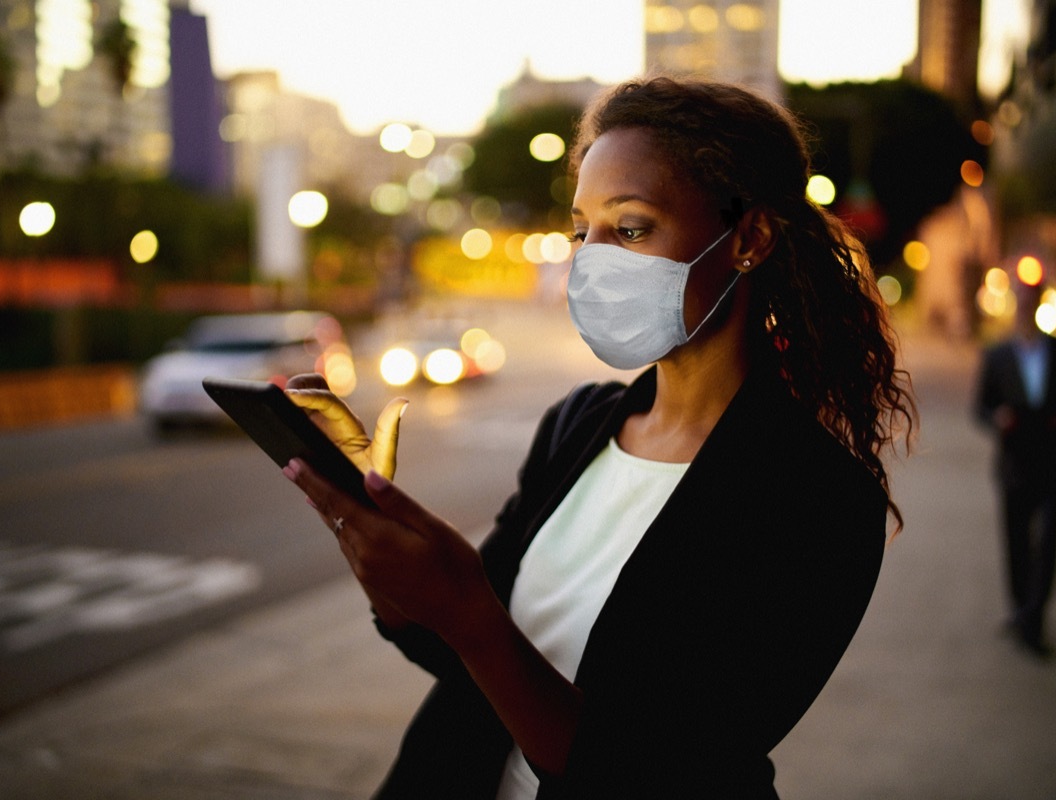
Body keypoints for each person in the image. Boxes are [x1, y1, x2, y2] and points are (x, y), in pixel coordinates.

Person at [282, 76, 915, 799]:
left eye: (632, 227)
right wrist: (373, 539)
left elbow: (661, 771)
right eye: (582, 230)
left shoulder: (818, 499)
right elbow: (462, 654)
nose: (591, 258)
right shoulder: (578, 425)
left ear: (749, 237)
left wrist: (470, 612)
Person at [975, 279, 1056, 658]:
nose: (1026, 309)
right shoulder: (997, 356)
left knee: (1047, 541)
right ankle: (1020, 608)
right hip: (1015, 463)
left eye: (1032, 302)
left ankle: (1034, 617)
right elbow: (980, 407)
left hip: (1055, 463)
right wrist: (998, 418)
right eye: (1021, 303)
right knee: (1016, 541)